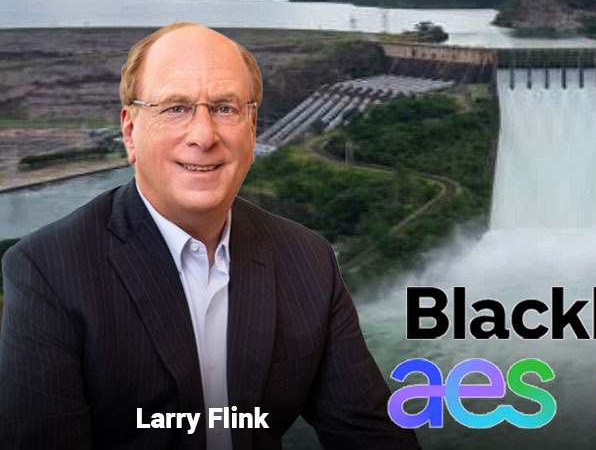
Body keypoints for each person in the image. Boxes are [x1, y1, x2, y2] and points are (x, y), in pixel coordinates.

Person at [0, 23, 420, 449]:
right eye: (175, 108)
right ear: (130, 133)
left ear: (252, 128)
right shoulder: (48, 269)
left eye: (224, 108)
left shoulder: (307, 259)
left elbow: (372, 434)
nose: (203, 136)